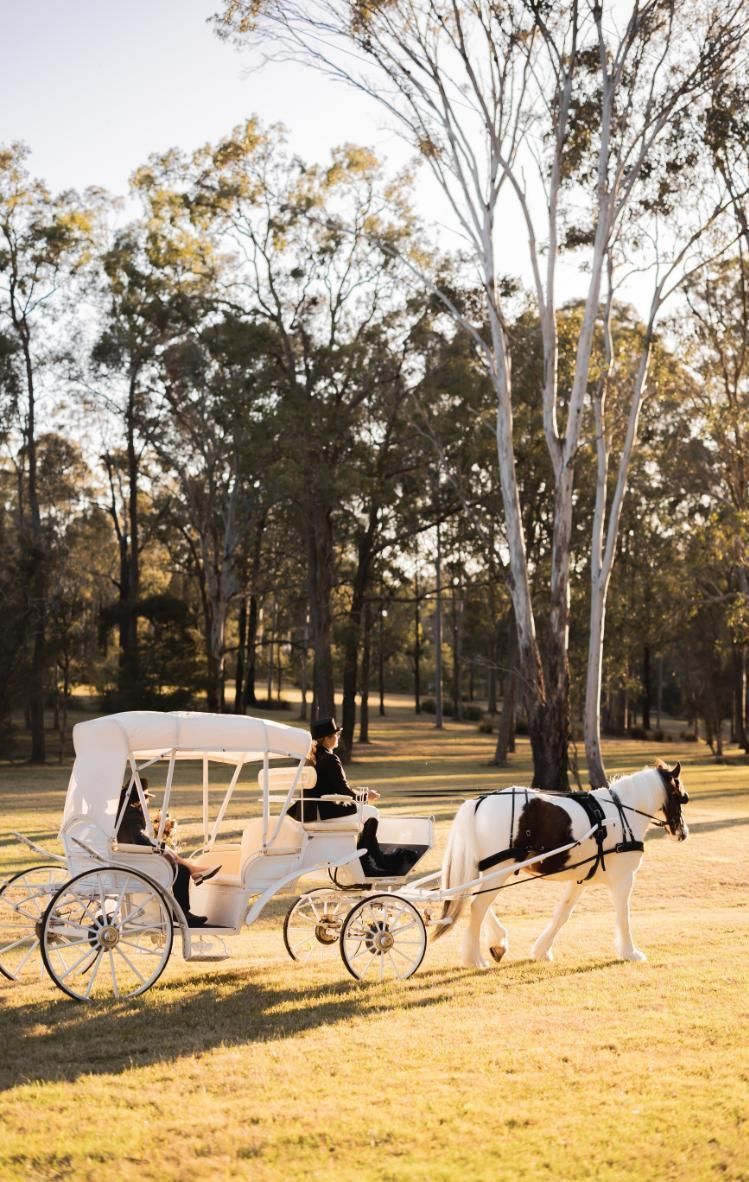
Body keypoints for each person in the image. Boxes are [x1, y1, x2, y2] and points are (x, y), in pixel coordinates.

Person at [288, 717, 401, 875]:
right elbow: (345, 792)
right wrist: (366, 796)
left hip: (309, 812)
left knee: (365, 812)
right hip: (325, 813)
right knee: (372, 812)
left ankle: (378, 859)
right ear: (327, 739)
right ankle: (366, 863)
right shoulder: (330, 758)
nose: (338, 738)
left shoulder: (311, 759)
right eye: (336, 735)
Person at [115, 779, 221, 927]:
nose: (148, 802)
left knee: (173, 859)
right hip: (141, 862)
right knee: (181, 870)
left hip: (134, 858)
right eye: (147, 798)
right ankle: (182, 912)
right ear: (141, 798)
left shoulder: (123, 813)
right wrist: (158, 848)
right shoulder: (133, 814)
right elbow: (138, 838)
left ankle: (194, 874)